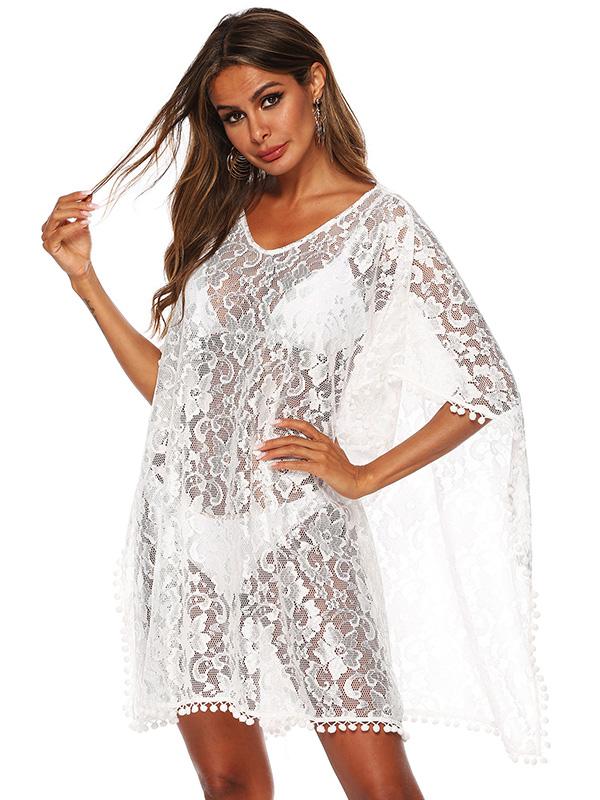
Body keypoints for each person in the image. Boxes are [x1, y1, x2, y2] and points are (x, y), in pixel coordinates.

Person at [40, 7, 550, 798]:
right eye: (232, 116)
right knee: (229, 786)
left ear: (315, 82)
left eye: (269, 99)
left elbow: (487, 383)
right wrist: (85, 282)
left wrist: (363, 476)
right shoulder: (222, 219)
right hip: (185, 537)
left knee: (379, 788)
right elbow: (179, 398)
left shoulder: (381, 226)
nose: (256, 131)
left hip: (300, 536)